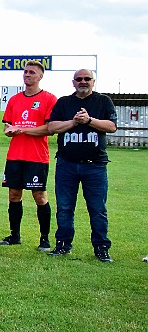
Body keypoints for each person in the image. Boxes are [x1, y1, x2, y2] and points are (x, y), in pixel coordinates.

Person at [46, 69, 117, 262]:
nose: (83, 82)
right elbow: (52, 127)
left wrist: (89, 120)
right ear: (73, 82)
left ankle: (101, 247)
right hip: (66, 165)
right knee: (65, 207)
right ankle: (62, 244)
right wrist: (74, 121)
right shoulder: (64, 102)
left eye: (87, 79)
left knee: (97, 209)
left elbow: (111, 126)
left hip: (95, 166)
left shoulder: (103, 101)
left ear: (94, 81)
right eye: (79, 79)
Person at [0, 61, 57, 251]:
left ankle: (44, 239)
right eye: (26, 72)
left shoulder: (49, 99)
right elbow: (7, 125)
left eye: (32, 72)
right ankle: (15, 236)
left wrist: (23, 129)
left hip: (36, 157)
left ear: (40, 76)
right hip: (15, 156)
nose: (27, 75)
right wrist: (9, 131)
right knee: (14, 195)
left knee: (39, 196)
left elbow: (49, 129)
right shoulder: (14, 100)